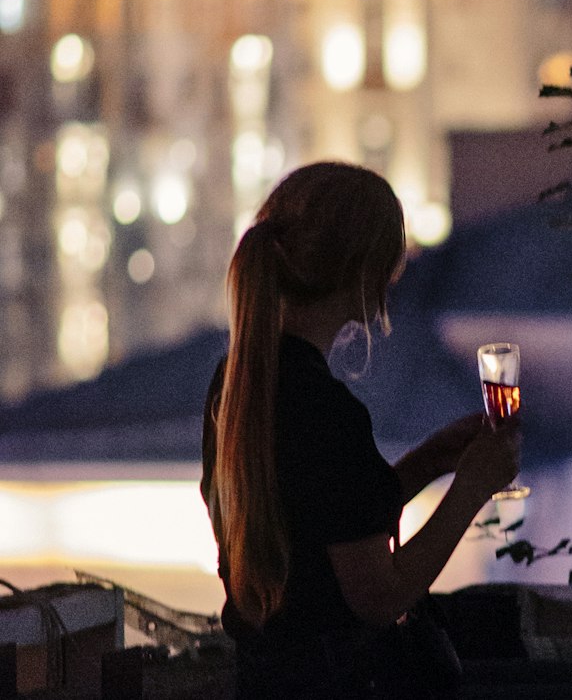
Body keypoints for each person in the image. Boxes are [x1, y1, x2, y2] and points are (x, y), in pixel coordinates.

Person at [200, 162, 521, 699]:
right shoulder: (323, 408)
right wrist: (471, 489)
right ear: (365, 270)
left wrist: (430, 462)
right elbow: (379, 596)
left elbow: (320, 522)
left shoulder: (238, 384)